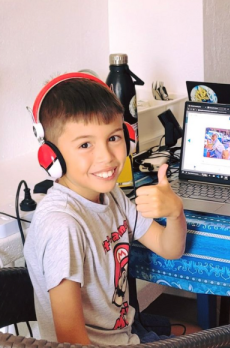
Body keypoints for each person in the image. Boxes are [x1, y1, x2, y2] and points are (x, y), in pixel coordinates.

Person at [23, 74, 188, 344]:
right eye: (85, 144)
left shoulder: (111, 196)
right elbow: (71, 339)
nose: (107, 156)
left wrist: (174, 213)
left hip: (127, 334)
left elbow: (170, 249)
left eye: (113, 137)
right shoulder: (62, 226)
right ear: (51, 157)